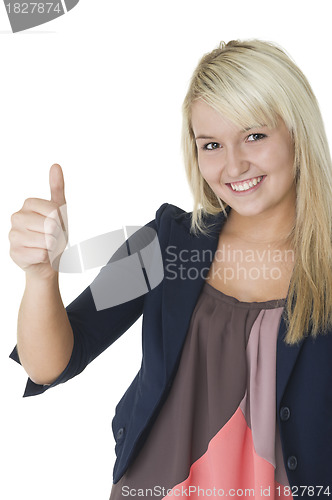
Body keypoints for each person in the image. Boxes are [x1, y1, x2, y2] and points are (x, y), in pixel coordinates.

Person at [8, 39, 332, 498]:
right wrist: (41, 276)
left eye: (255, 135)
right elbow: (50, 365)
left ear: (298, 131)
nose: (234, 163)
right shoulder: (165, 244)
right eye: (212, 144)